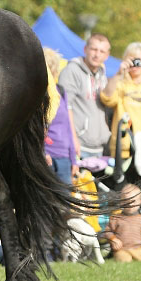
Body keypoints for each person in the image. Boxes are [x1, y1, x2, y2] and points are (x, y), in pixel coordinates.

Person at [57, 33, 112, 158]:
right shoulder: (72, 71)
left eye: (102, 51)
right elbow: (65, 107)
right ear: (85, 49)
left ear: (107, 55)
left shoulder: (102, 74)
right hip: (79, 146)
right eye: (93, 49)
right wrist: (73, 139)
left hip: (99, 147)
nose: (97, 54)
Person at [43, 48, 79, 185]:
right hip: (47, 157)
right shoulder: (38, 94)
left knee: (65, 203)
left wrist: (73, 160)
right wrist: (42, 153)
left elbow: (68, 127)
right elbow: (37, 127)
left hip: (64, 158)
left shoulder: (61, 91)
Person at [103, 184, 141, 263]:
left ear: (140, 202)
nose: (130, 204)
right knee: (125, 259)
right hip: (121, 249)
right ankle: (125, 257)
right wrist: (113, 239)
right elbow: (107, 231)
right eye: (126, 201)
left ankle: (137, 256)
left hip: (137, 249)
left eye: (134, 201)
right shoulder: (116, 218)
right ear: (121, 202)